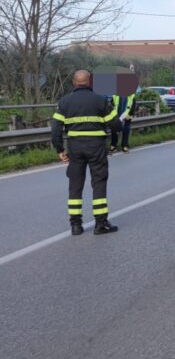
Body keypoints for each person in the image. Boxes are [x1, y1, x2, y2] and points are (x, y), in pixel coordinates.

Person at [51, 70, 122, 236]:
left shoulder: (64, 102)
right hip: (96, 147)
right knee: (98, 182)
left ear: (74, 83)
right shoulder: (100, 100)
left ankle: (75, 225)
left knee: (75, 184)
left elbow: (55, 128)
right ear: (89, 83)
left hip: (75, 147)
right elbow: (116, 125)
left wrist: (60, 149)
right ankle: (101, 224)